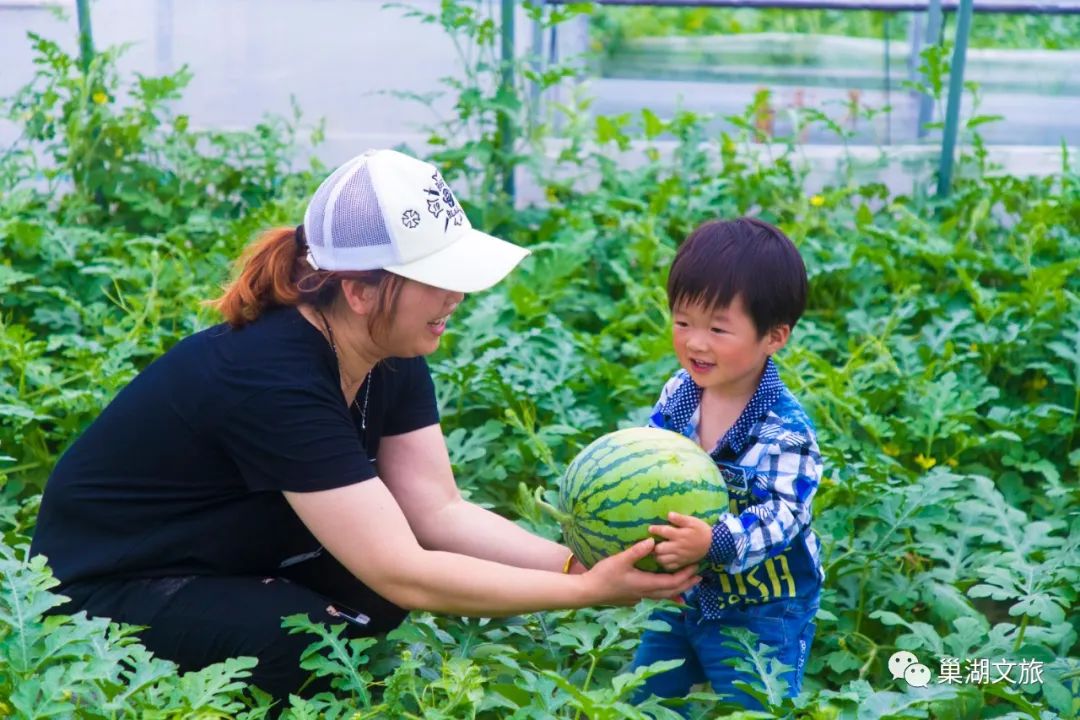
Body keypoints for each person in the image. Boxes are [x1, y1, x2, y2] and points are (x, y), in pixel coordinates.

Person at [30, 149, 700, 700]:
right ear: (360, 289)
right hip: (104, 590)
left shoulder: (387, 348)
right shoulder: (272, 378)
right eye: (437, 279)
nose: (456, 298)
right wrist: (584, 593)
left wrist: (575, 562)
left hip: (216, 553)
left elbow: (438, 512)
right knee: (302, 640)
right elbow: (403, 569)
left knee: (366, 606)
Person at [630, 217, 823, 712]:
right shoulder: (679, 393)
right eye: (682, 322)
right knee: (640, 700)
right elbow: (649, 464)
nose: (695, 342)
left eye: (717, 328)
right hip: (685, 596)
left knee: (755, 706)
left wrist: (714, 541)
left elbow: (786, 515)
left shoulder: (785, 430)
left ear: (774, 336)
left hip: (764, 609)